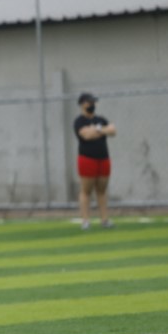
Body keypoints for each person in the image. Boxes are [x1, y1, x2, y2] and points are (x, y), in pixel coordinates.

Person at [74, 92, 117, 231]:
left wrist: (97, 129)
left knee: (102, 190)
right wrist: (102, 130)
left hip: (103, 158)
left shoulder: (101, 119)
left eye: (93, 102)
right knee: (86, 190)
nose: (92, 105)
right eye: (89, 102)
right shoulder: (79, 121)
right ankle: (85, 220)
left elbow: (112, 130)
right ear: (83, 104)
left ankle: (104, 220)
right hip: (87, 159)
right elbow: (86, 135)